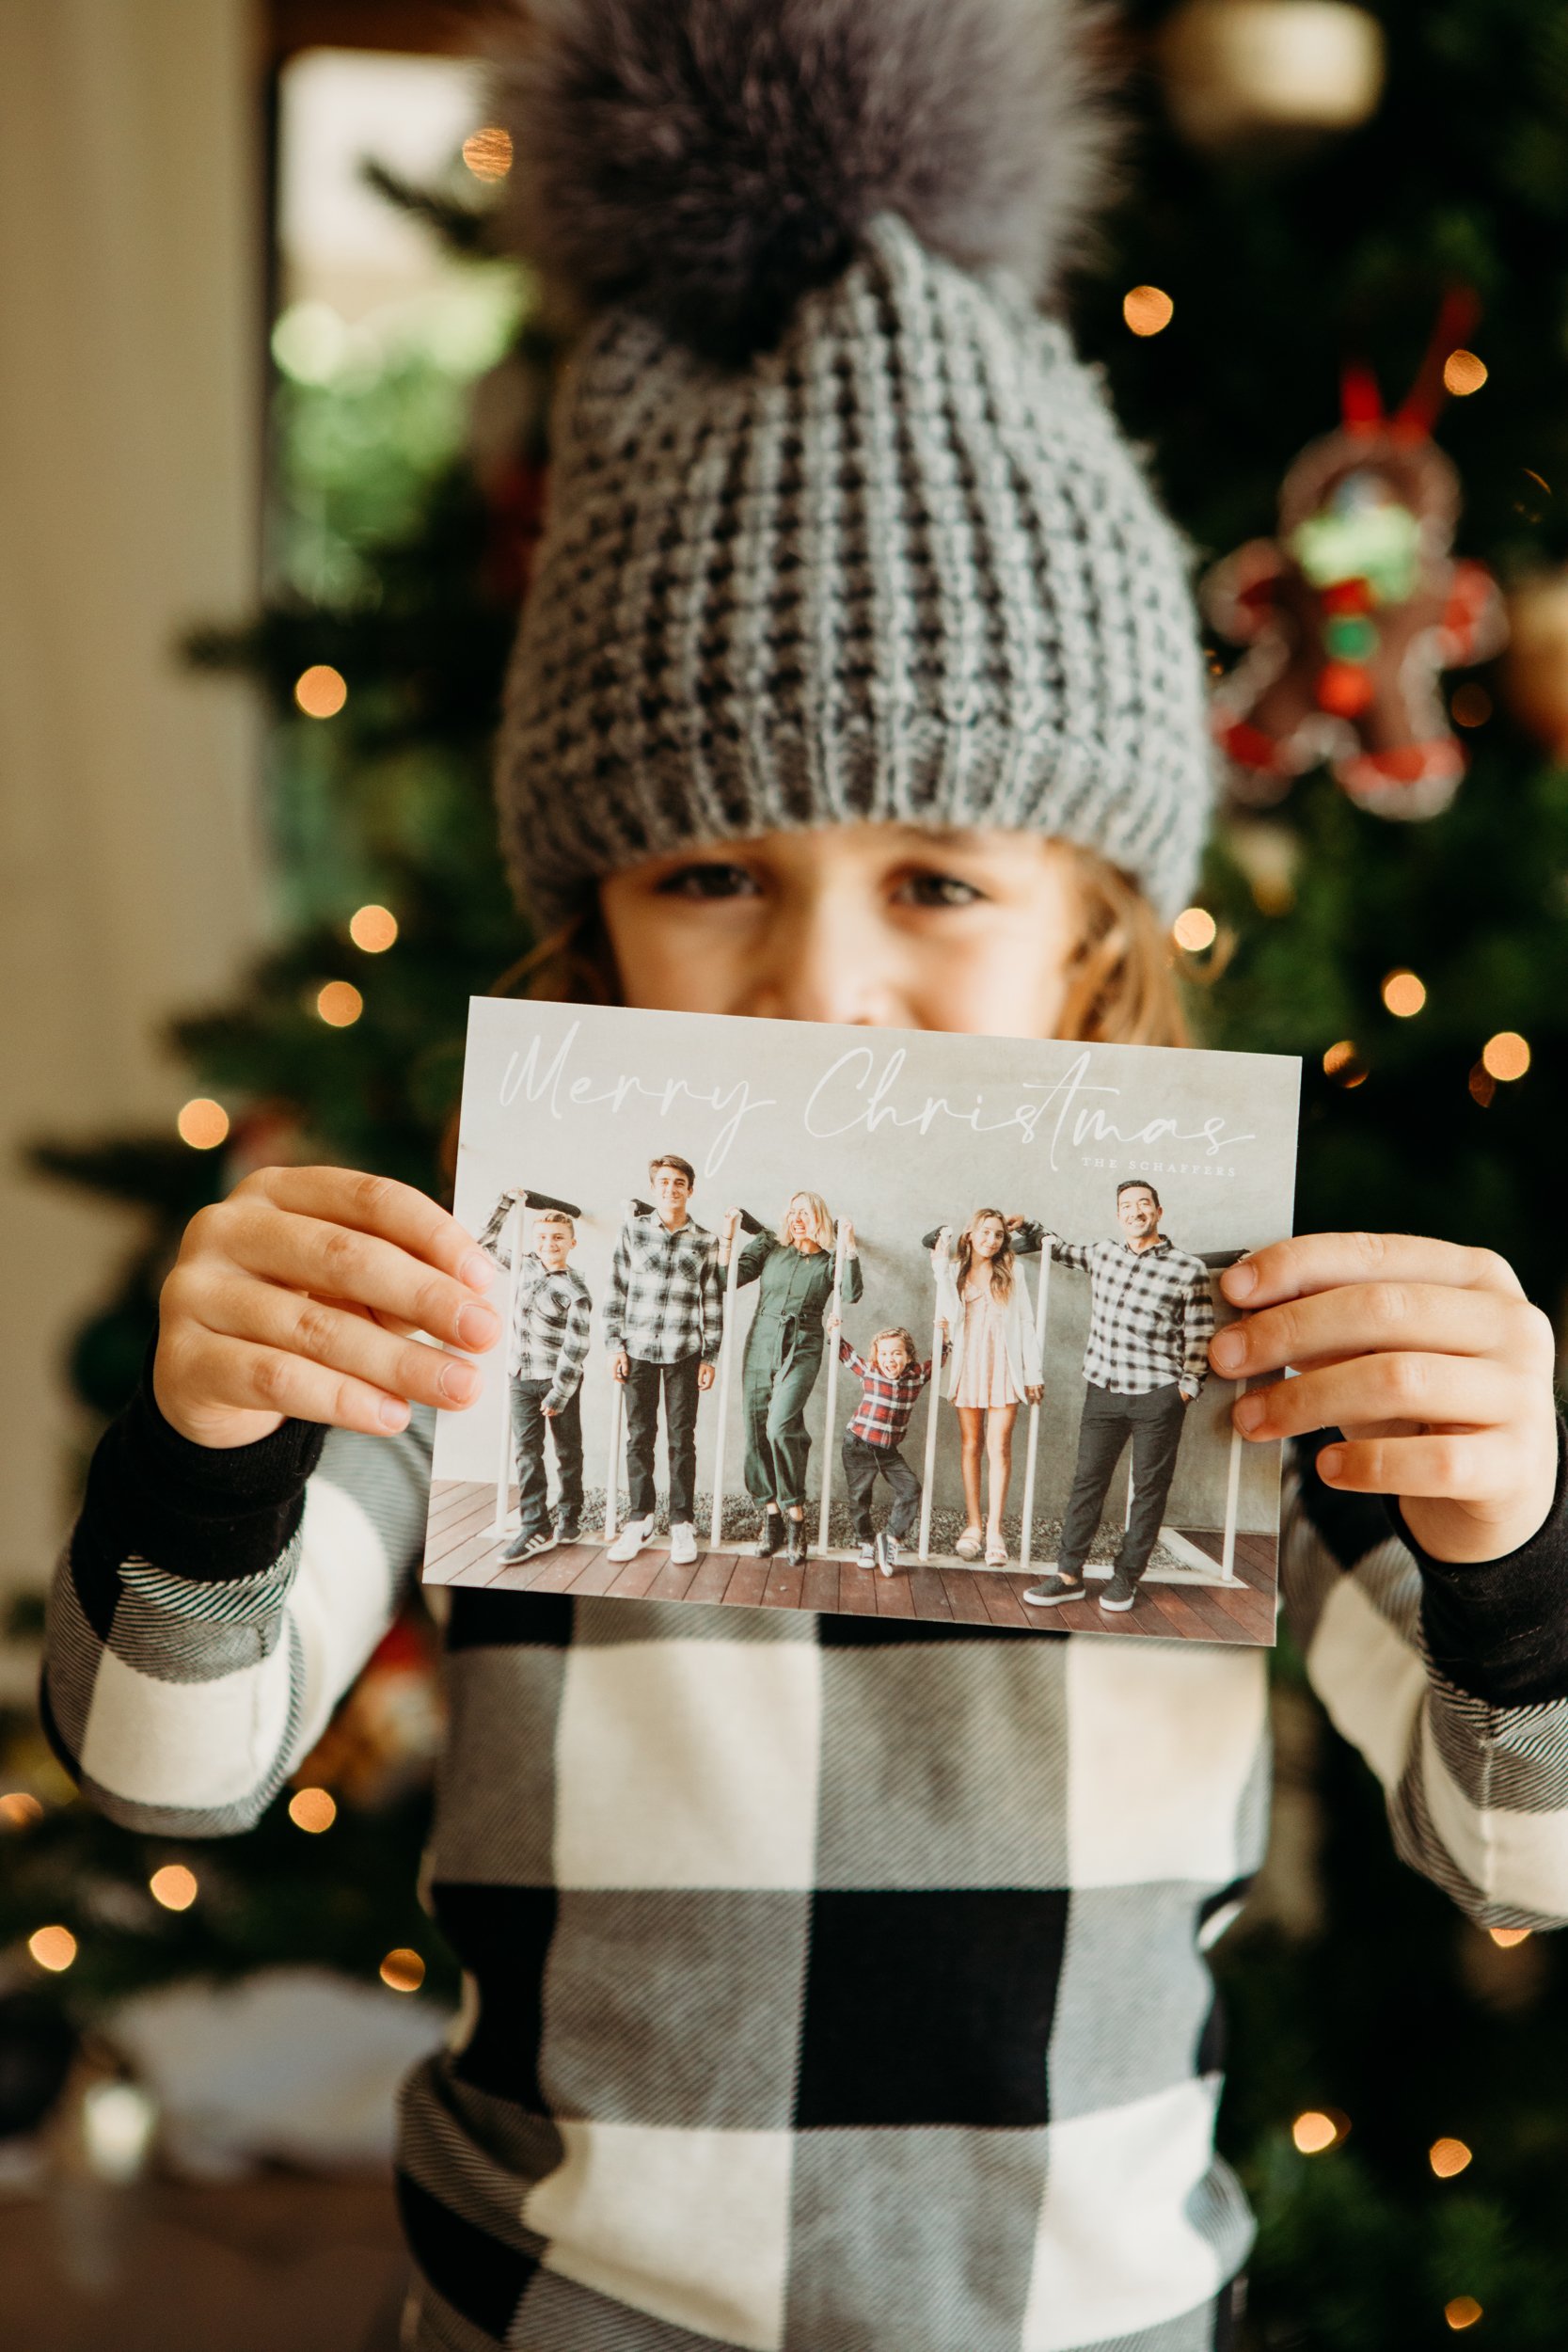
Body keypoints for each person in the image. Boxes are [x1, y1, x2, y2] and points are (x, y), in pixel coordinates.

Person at [40, 5, 1568, 2349]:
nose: (818, 988)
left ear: (1093, 925)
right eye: (712, 876)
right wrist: (220, 1439)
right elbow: (173, 1754)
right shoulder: (484, 1295)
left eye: (939, 883)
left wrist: (1512, 1536)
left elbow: (1523, 1843)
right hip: (553, 2311)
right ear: (593, 915)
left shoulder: (1249, 1340)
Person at [1022, 1182, 1214, 1613]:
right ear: (1118, 1216)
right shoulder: (1104, 1253)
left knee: (1148, 1490)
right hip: (1102, 1391)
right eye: (1126, 1206)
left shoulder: (1189, 1269)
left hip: (1157, 1397)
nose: (1134, 1212)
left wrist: (1186, 1389)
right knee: (1087, 1484)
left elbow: (1200, 1333)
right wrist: (1031, 1228)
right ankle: (1068, 1576)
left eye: (1142, 1204)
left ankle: (1125, 1580)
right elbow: (1061, 1249)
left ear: (1159, 1212)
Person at [726, 1192, 862, 1568]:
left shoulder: (828, 1261)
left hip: (803, 1342)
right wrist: (733, 1236)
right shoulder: (772, 1248)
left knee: (781, 1426)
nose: (796, 1217)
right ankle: (771, 1515)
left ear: (819, 1216)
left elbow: (850, 1292)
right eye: (791, 1211)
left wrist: (848, 1245)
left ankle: (796, 1517)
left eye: (804, 1211)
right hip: (761, 1337)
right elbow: (728, 1278)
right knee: (755, 1427)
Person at [603, 1154, 724, 1567]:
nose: (671, 1189)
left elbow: (711, 1301)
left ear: (691, 1190)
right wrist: (614, 1346)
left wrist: (711, 1354)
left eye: (679, 1183)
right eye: (663, 1182)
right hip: (636, 1349)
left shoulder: (706, 1241)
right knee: (639, 1436)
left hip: (683, 1353)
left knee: (680, 1438)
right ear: (654, 1188)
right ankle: (640, 1518)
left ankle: (681, 1522)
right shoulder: (632, 1232)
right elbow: (615, 1291)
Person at [475, 1194, 592, 1559]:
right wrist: (506, 1204)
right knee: (527, 1453)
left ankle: (570, 1512)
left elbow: (577, 1347)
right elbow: (484, 1245)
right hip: (521, 1377)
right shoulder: (524, 1267)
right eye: (542, 1237)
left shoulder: (575, 1289)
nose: (548, 1244)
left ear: (571, 1243)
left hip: (559, 1381)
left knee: (567, 1450)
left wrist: (559, 1393)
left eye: (557, 1237)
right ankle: (535, 1524)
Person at [930, 1211, 1045, 1565]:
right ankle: (973, 1526)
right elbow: (949, 1317)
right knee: (971, 1444)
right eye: (985, 1232)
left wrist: (1032, 1373)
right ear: (971, 1234)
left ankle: (995, 1529)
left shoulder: (1014, 1271)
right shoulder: (953, 1271)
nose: (991, 1240)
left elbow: (1026, 1320)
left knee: (1000, 1446)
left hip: (1004, 1365)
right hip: (969, 1365)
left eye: (998, 1235)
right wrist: (939, 1268)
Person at [832, 1322, 945, 1576]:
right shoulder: (870, 1372)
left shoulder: (916, 1376)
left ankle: (891, 1538)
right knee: (859, 1496)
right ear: (876, 1357)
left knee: (910, 1488)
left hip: (888, 1450)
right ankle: (866, 1543)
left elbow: (937, 1360)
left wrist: (944, 1338)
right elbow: (847, 1355)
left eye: (896, 1353)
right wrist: (834, 1332)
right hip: (858, 1443)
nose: (889, 1359)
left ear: (908, 1357)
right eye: (883, 1354)